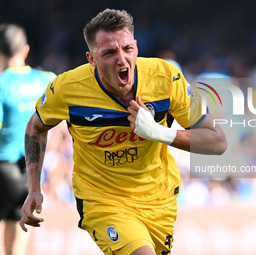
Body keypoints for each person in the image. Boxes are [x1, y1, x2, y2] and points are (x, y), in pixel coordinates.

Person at [19, 9, 227, 255]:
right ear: (91, 58)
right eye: (109, 52)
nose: (122, 59)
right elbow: (36, 126)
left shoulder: (167, 78)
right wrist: (33, 187)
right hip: (102, 199)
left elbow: (218, 141)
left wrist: (159, 133)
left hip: (158, 200)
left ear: (136, 47)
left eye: (127, 49)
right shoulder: (67, 88)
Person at [0, 23, 56, 255]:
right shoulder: (47, 80)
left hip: (3, 168)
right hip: (30, 171)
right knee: (17, 240)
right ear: (25, 50)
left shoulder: (2, 84)